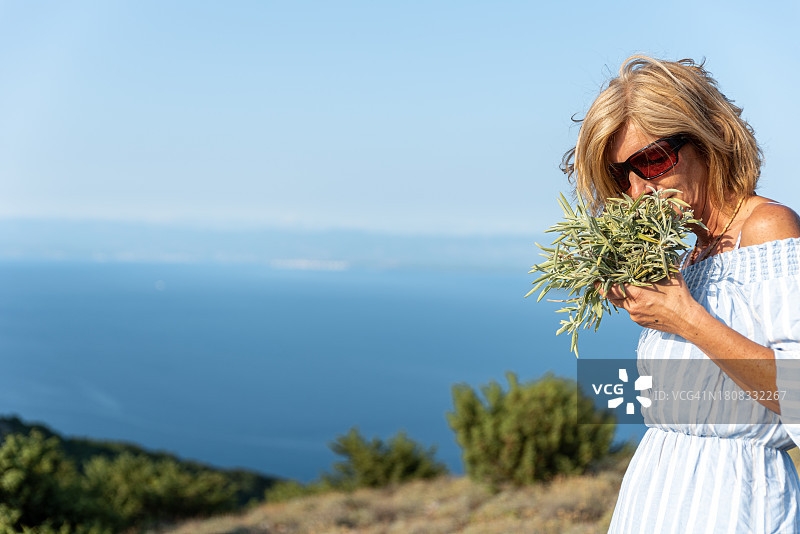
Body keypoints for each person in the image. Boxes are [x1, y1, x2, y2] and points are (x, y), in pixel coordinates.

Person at [564, 55, 800, 533]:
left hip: (732, 502)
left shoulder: (768, 228)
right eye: (621, 175)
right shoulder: (692, 255)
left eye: (651, 160)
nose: (637, 189)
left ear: (707, 137)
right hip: (655, 495)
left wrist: (685, 318)